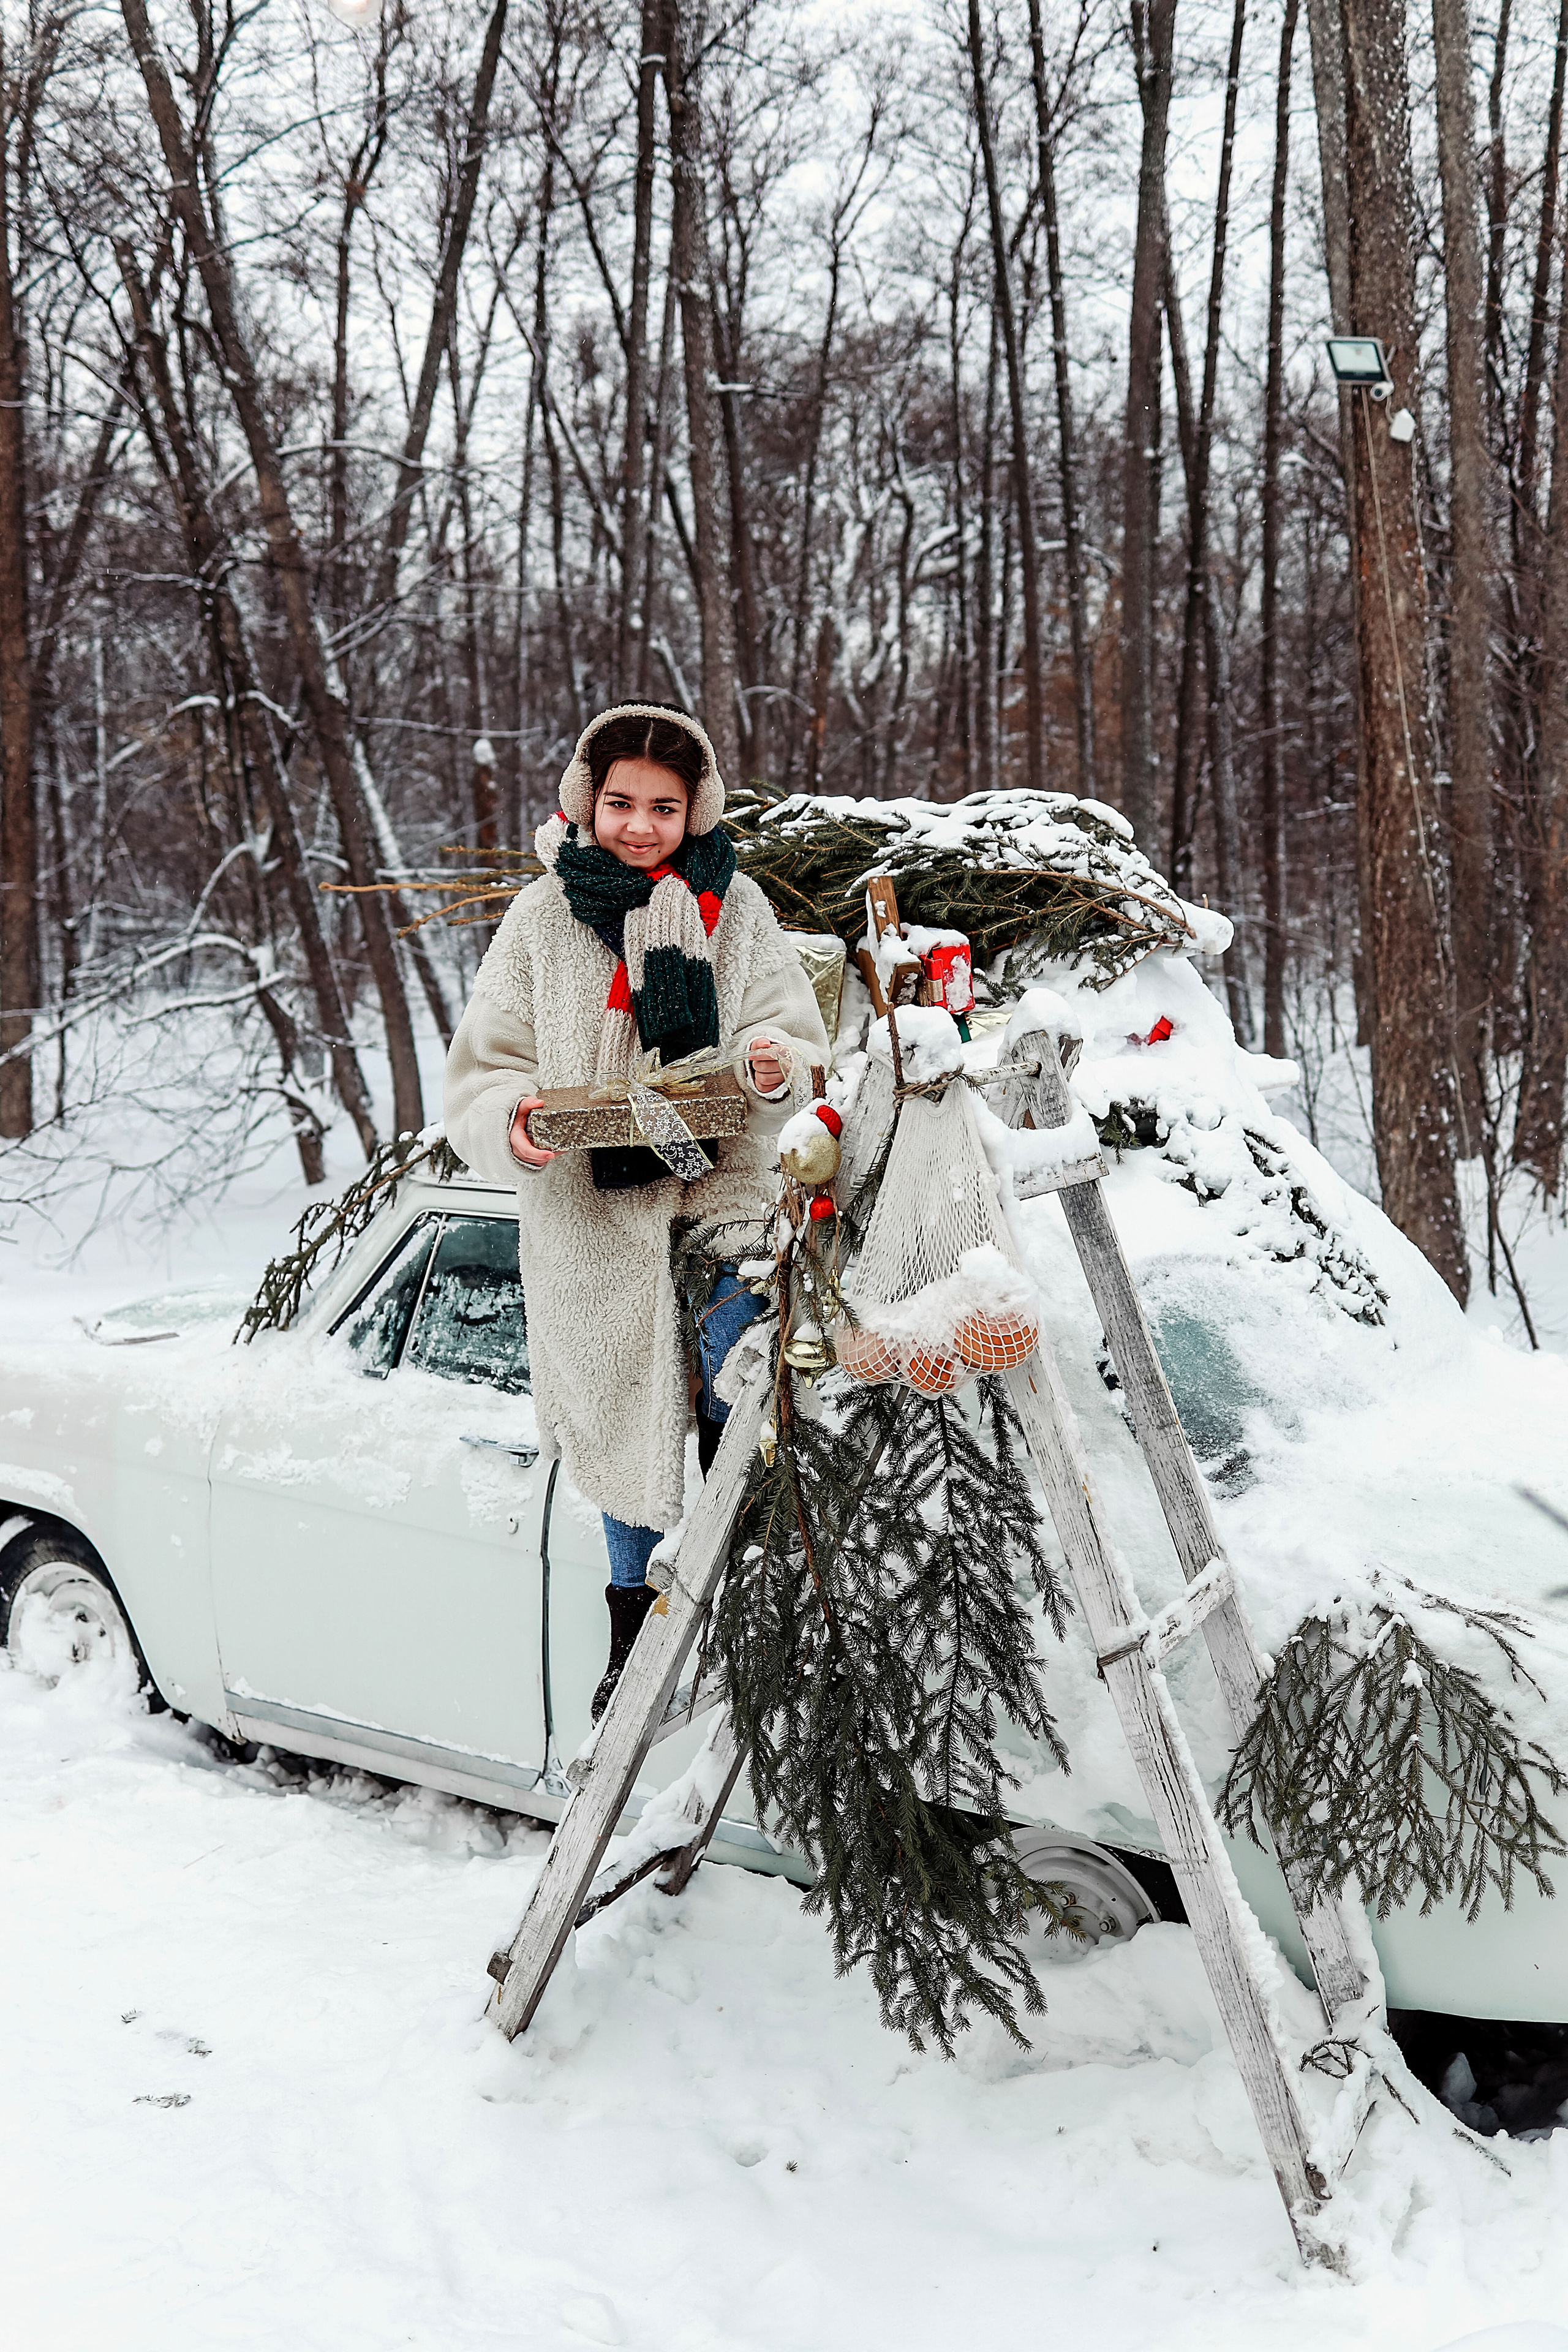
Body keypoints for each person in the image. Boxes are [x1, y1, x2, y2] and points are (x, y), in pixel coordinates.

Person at [443, 704, 829, 1717]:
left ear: (694, 808)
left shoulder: (734, 907)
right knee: (622, 1408)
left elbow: (796, 1039)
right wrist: (514, 1120)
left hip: (721, 1187)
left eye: (664, 807)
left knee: (734, 1354)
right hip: (587, 1214)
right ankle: (635, 1628)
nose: (641, 826)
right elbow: (482, 1072)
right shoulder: (543, 918)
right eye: (622, 803)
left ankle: (739, 1577)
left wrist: (773, 1065)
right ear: (588, 798)